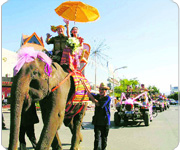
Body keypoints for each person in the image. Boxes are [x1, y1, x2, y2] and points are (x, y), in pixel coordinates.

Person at [88, 83, 111, 150]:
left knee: (104, 139)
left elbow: (99, 104)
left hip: (105, 122)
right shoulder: (97, 96)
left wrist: (92, 98)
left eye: (103, 89)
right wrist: (88, 93)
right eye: (100, 89)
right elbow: (90, 95)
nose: (101, 90)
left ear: (106, 90)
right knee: (97, 138)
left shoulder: (107, 98)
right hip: (97, 121)